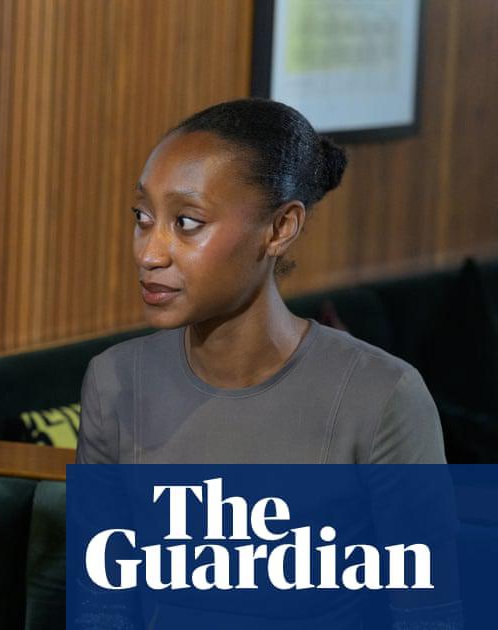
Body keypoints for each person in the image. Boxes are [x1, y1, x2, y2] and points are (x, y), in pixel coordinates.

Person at [73, 99, 459, 628]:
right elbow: (101, 606)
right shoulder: (114, 381)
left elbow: (428, 616)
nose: (149, 252)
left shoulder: (381, 395)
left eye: (187, 222)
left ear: (280, 228)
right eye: (143, 217)